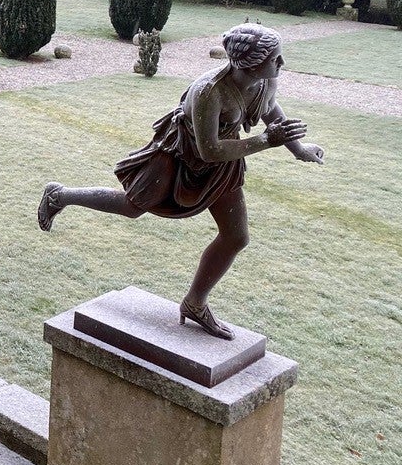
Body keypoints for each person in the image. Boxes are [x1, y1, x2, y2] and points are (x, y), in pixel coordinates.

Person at [37, 23, 324, 339]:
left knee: (236, 236)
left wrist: (298, 149)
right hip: (178, 153)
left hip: (223, 161)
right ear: (251, 64)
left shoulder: (265, 82)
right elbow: (209, 148)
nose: (281, 64)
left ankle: (195, 302)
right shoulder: (209, 92)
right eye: (275, 59)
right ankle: (59, 195)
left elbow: (270, 111)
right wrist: (266, 141)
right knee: (132, 207)